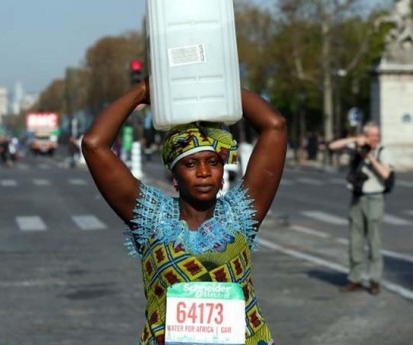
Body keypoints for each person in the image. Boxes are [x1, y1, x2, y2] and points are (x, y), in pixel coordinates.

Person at [81, 78, 287, 345]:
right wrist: (142, 92)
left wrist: (215, 83)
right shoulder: (152, 217)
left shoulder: (240, 214)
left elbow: (275, 126)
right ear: (175, 176)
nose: (204, 172)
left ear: (222, 171)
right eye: (190, 163)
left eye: (213, 162)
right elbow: (94, 144)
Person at [328, 122, 393, 295]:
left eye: (376, 135)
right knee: (355, 241)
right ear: (365, 135)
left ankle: (374, 280)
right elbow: (333, 146)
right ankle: (355, 278)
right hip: (357, 198)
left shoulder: (382, 151)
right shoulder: (356, 148)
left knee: (374, 242)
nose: (374, 138)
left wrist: (370, 157)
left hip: (375, 199)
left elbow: (386, 174)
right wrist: (355, 139)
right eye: (371, 135)